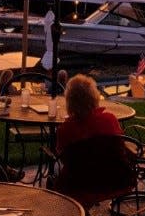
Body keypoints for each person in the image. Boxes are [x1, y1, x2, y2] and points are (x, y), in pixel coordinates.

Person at [50, 74, 136, 209]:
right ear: (94, 97)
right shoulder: (110, 119)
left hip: (78, 184)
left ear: (69, 101)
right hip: (114, 180)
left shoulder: (65, 129)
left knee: (55, 168)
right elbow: (118, 148)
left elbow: (64, 159)